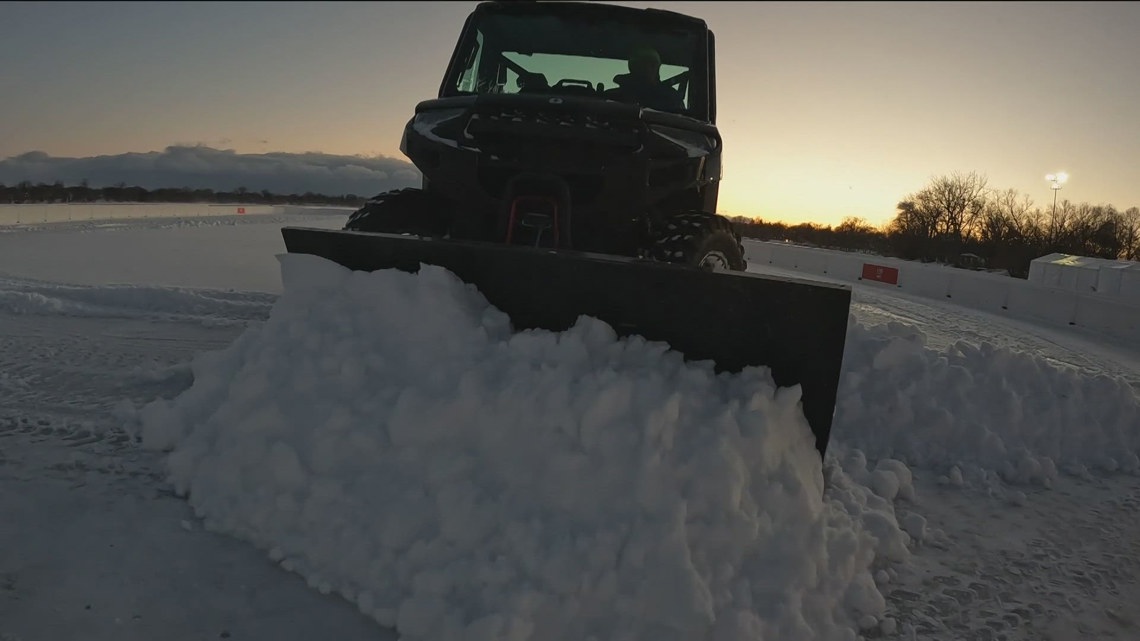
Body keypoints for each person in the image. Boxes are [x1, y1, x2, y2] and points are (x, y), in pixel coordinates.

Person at [605, 46, 685, 112]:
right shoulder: (612, 97)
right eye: (647, 64)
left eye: (654, 64)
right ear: (633, 67)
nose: (651, 68)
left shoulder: (672, 98)